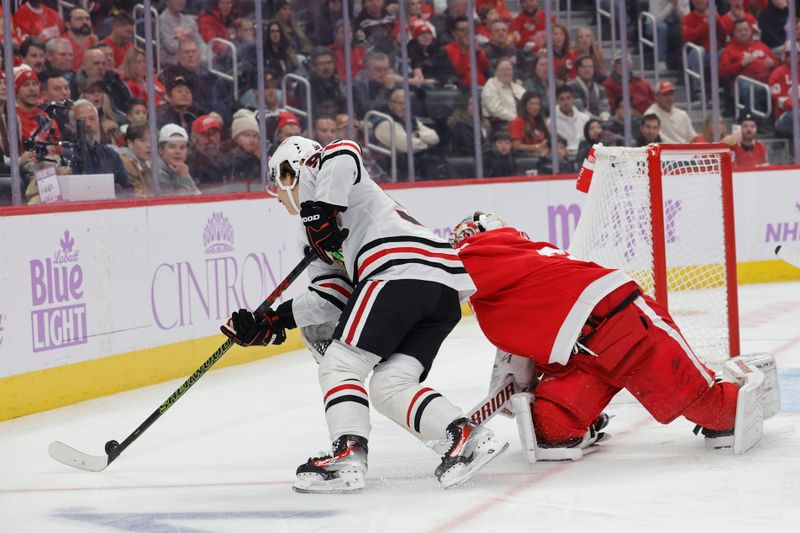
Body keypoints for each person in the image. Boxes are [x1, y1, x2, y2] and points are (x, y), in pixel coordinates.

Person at [221, 135, 507, 493]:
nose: (276, 196)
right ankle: (464, 437)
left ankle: (347, 456)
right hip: (442, 285)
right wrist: (275, 320)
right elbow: (333, 295)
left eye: (275, 184)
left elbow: (344, 148)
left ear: (287, 172)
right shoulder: (312, 228)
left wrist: (320, 209)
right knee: (390, 385)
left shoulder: (317, 174)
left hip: (396, 272)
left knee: (340, 365)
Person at [449, 212, 776, 456]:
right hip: (584, 355)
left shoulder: (479, 254)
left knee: (721, 416)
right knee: (552, 427)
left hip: (626, 328)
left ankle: (745, 385)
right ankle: (588, 417)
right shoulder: (515, 264)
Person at [444, 16, 490, 87]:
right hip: (464, 89)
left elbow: (485, 67)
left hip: (482, 87)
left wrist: (477, 51)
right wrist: (464, 49)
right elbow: (460, 71)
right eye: (462, 30)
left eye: (468, 30)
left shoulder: (475, 48)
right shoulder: (448, 50)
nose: (466, 33)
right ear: (454, 32)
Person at [480, 57, 525, 130]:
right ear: (495, 72)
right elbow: (495, 110)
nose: (506, 72)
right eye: (502, 70)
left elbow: (527, 100)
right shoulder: (490, 86)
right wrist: (515, 118)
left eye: (508, 70)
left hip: (520, 122)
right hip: (500, 124)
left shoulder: (516, 86)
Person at [160, 0, 208, 66]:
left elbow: (199, 41)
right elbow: (171, 47)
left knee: (211, 60)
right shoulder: (163, 20)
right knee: (203, 63)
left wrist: (207, 53)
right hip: (171, 60)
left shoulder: (188, 19)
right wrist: (193, 51)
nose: (181, 1)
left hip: (191, 54)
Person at [157, 123, 201, 195]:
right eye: (172, 146)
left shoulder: (181, 168)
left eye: (182, 147)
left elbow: (198, 196)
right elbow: (176, 204)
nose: (178, 151)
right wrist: (183, 178)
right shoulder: (156, 173)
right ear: (160, 149)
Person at [549, 85, 590, 155]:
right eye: (562, 99)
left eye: (568, 98)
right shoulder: (551, 122)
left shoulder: (585, 118)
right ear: (556, 101)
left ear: (573, 99)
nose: (565, 102)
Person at [221, 109, 261, 182]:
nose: (252, 140)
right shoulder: (227, 161)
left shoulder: (260, 161)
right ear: (236, 137)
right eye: (246, 135)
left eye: (255, 136)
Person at [508, 90, 549, 156]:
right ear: (525, 105)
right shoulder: (518, 122)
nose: (536, 107)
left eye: (538, 104)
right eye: (532, 104)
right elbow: (516, 146)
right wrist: (537, 147)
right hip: (527, 157)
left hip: (543, 155)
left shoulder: (540, 121)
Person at [569, 55, 610, 120]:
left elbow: (604, 106)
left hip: (599, 122)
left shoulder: (600, 88)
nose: (587, 70)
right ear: (577, 69)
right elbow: (579, 109)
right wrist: (595, 120)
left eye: (590, 67)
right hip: (580, 121)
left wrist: (604, 117)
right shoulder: (571, 87)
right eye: (583, 67)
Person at [188, 114, 226, 184]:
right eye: (205, 134)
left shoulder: (228, 159)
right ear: (193, 138)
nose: (211, 138)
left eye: (214, 133)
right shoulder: (188, 164)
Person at [119, 123, 154, 196]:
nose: (149, 145)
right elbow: (139, 195)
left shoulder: (146, 163)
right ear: (130, 143)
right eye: (143, 140)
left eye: (152, 140)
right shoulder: (125, 163)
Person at [64, 8, 99, 72]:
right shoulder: (62, 44)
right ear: (68, 24)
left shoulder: (94, 40)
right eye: (79, 19)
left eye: (87, 18)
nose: (85, 22)